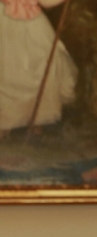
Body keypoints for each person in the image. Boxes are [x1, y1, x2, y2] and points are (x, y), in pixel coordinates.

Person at [0, 0, 77, 137]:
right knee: (8, 68)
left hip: (32, 21)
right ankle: (5, 121)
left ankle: (35, 117)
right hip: (4, 18)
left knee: (44, 59)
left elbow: (46, 2)